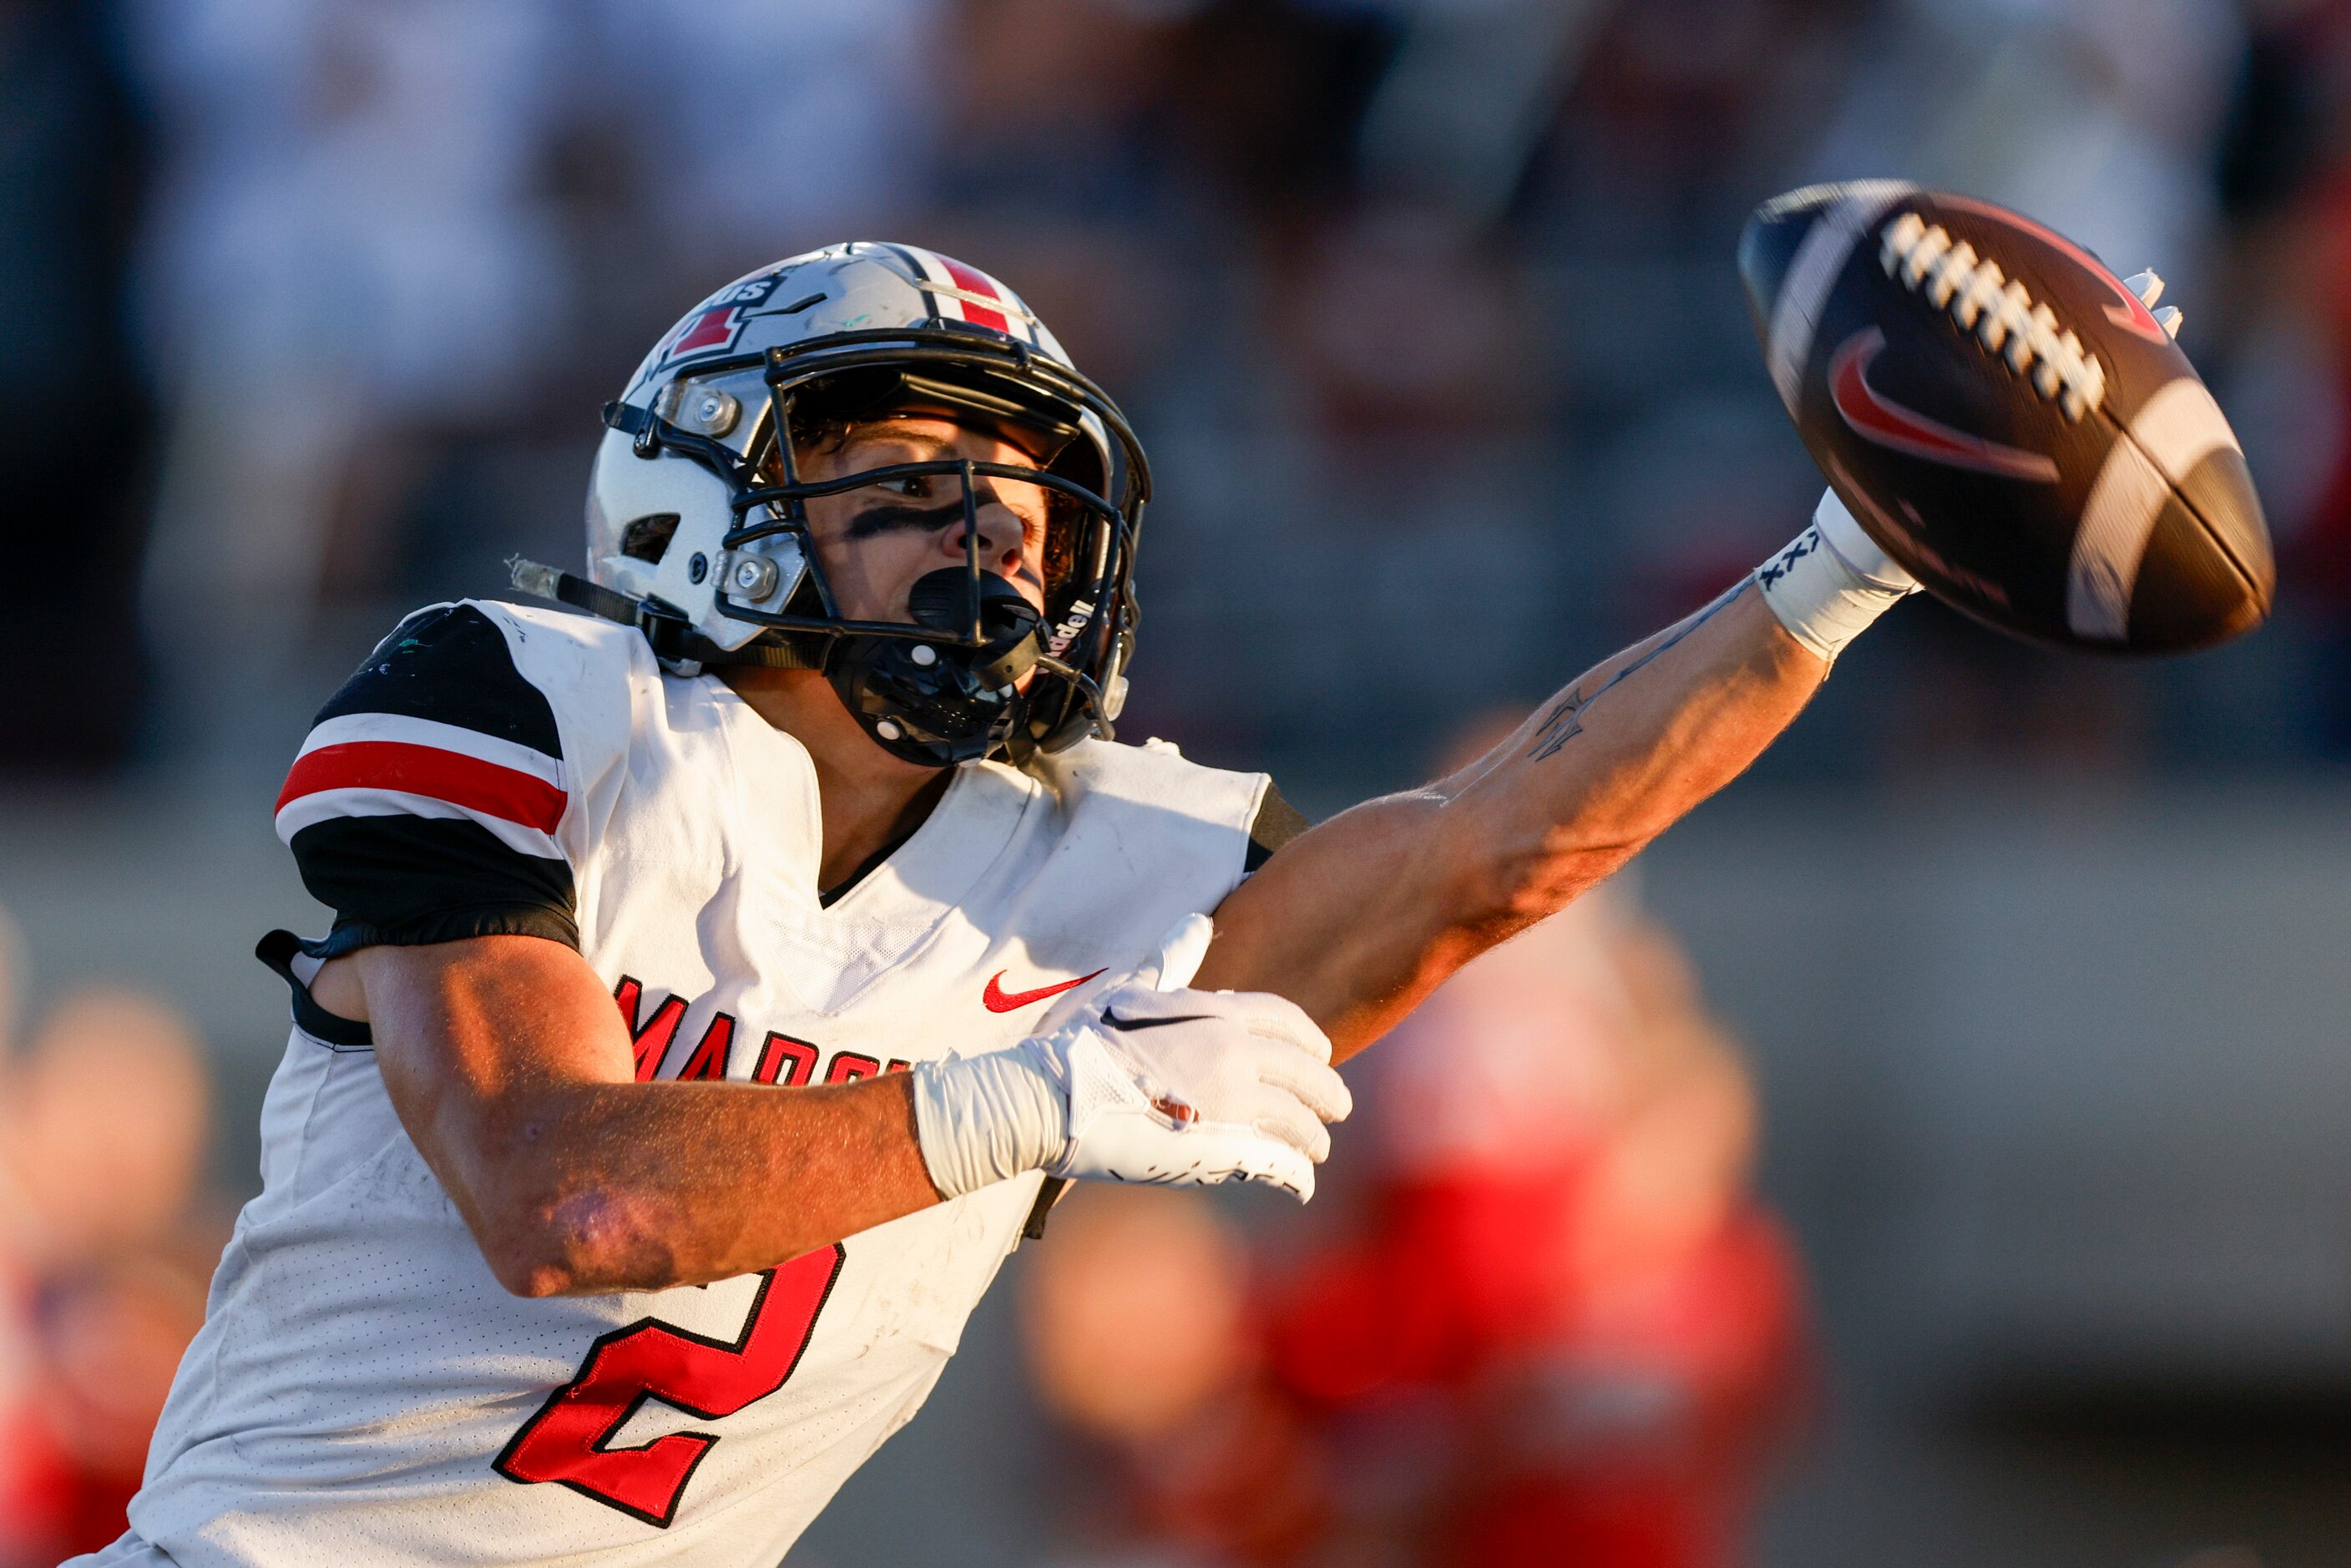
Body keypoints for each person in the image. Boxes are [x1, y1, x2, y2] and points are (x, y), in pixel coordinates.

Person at [81, 239, 1920, 1566]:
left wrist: (1843, 568)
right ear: (694, 503)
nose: (999, 526)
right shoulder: (540, 704)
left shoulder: (1097, 870)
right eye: (909, 475)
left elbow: (1492, 845)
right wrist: (1021, 1102)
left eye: (1030, 485)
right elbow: (565, 1194)